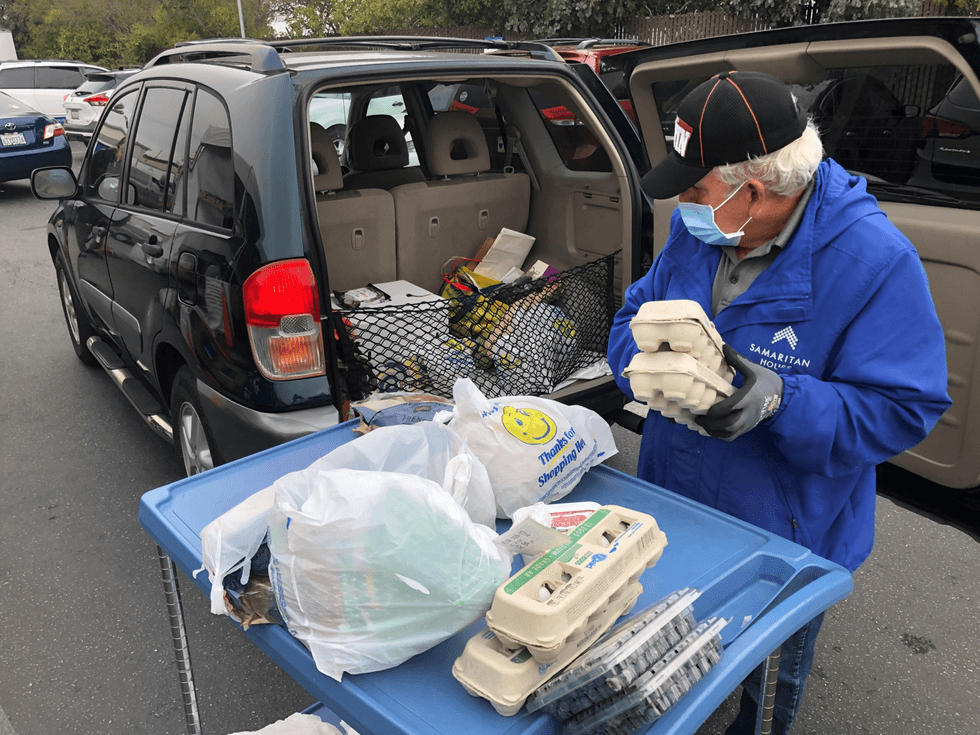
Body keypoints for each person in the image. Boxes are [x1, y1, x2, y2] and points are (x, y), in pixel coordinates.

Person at [607, 71, 952, 734]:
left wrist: (780, 401)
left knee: (759, 692)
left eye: (694, 188)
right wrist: (640, 364)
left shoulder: (874, 262)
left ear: (752, 190)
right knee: (669, 665)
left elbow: (905, 407)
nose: (682, 204)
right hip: (675, 507)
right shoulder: (701, 230)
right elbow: (633, 315)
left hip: (782, 540)